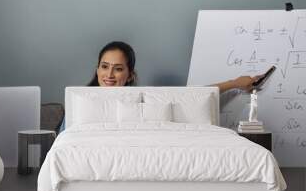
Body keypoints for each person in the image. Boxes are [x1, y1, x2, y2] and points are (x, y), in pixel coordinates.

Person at [58, 41, 260, 132]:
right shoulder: (79, 102)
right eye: (104, 67)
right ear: (97, 69)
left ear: (130, 75)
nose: (109, 75)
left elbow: (190, 96)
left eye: (118, 69)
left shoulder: (143, 99)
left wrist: (235, 83)